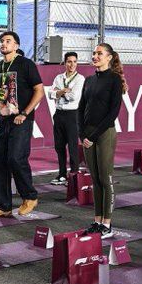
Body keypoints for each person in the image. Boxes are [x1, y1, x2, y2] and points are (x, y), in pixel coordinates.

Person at [0, 31, 44, 217]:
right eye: (2, 41)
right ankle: (3, 206)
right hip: (4, 120)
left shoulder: (26, 64)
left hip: (22, 120)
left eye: (8, 41)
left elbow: (39, 91)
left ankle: (30, 196)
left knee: (16, 158)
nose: (4, 44)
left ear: (16, 45)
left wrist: (25, 113)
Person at [79, 43, 126, 238]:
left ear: (109, 57)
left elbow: (113, 112)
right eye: (94, 53)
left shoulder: (114, 80)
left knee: (105, 179)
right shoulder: (89, 80)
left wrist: (93, 135)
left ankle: (107, 224)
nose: (95, 56)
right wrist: (82, 135)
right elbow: (81, 108)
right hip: (88, 135)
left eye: (99, 53)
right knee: (95, 180)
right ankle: (97, 221)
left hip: (104, 133)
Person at [48, 51, 84, 186]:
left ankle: (74, 174)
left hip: (72, 115)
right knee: (59, 146)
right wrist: (63, 91)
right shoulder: (58, 77)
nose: (72, 64)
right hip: (59, 114)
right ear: (65, 63)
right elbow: (50, 94)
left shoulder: (80, 79)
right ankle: (62, 174)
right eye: (69, 61)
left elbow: (74, 96)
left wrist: (59, 92)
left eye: (75, 61)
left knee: (73, 146)